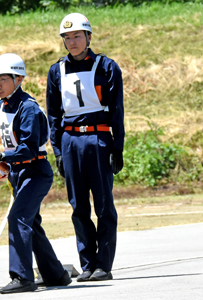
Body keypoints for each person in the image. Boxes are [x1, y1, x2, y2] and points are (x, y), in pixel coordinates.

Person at [0, 53, 71, 294]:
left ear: (19, 79)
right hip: (18, 172)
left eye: (3, 79)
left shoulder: (29, 108)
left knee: (18, 217)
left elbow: (29, 149)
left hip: (35, 171)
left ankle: (22, 277)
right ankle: (55, 274)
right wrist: (3, 165)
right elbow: (12, 144)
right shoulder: (2, 105)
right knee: (31, 222)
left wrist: (2, 157)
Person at [46, 13, 125, 282]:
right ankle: (88, 264)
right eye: (67, 38)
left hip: (99, 139)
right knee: (78, 206)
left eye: (77, 36)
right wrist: (57, 150)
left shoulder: (107, 67)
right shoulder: (56, 70)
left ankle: (104, 264)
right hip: (70, 142)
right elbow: (53, 115)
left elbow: (117, 111)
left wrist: (118, 147)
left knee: (103, 205)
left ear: (89, 37)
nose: (72, 42)